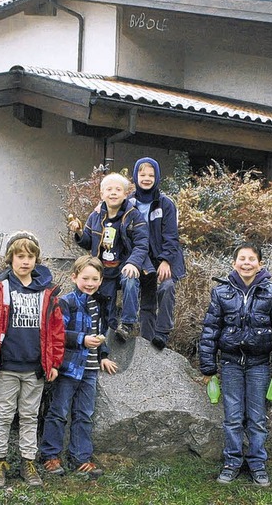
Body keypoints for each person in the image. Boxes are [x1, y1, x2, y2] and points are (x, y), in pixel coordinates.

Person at [0, 231, 65, 489]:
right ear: (10, 259)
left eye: (30, 257)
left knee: (29, 416)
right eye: (20, 256)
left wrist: (54, 362)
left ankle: (27, 461)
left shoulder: (47, 291)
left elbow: (57, 330)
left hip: (34, 367)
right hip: (6, 367)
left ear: (37, 260)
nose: (25, 261)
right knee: (3, 414)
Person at [199, 242, 272, 487]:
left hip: (259, 365)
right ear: (234, 263)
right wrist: (208, 368)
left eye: (251, 259)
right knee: (232, 417)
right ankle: (232, 462)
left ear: (260, 264)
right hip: (230, 364)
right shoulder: (220, 292)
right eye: (242, 258)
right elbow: (210, 330)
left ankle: (257, 463)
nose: (246, 263)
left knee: (257, 418)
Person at [39, 255, 118, 478]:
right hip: (69, 368)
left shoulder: (102, 303)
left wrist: (103, 354)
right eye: (85, 278)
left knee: (84, 414)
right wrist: (81, 339)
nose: (90, 283)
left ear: (101, 280)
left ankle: (80, 457)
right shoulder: (66, 302)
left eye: (95, 278)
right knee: (59, 412)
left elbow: (101, 333)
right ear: (74, 277)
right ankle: (50, 455)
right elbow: (57, 333)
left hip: (90, 370)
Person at [69, 172, 152, 341]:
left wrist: (134, 264)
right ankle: (110, 335)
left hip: (124, 265)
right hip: (104, 269)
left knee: (130, 280)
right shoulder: (96, 216)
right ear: (102, 194)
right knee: (106, 307)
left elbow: (142, 243)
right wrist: (78, 232)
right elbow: (88, 242)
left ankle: (128, 324)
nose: (113, 193)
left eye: (118, 189)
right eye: (109, 189)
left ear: (125, 193)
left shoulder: (134, 215)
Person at [129, 157, 186, 350]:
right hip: (141, 258)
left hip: (164, 257)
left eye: (151, 175)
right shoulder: (128, 203)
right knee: (147, 302)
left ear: (157, 177)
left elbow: (171, 236)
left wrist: (165, 261)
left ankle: (162, 333)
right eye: (142, 174)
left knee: (167, 287)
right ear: (135, 176)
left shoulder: (166, 204)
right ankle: (146, 342)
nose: (146, 178)